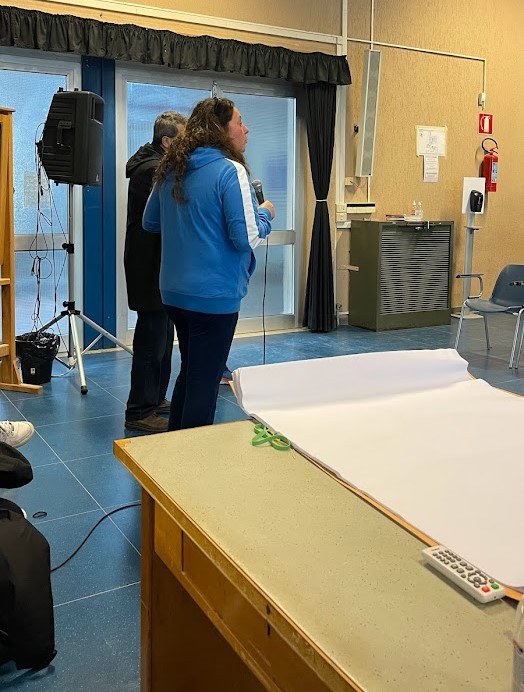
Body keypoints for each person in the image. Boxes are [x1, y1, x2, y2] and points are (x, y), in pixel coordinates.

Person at [143, 97, 275, 431]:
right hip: (214, 297)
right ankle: (193, 456)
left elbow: (150, 222)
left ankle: (176, 448)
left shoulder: (173, 167)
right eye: (240, 122)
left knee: (191, 373)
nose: (246, 129)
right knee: (204, 382)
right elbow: (246, 237)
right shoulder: (231, 170)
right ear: (222, 130)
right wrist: (265, 214)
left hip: (174, 293)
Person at [124, 111, 187, 433]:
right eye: (183, 139)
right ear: (167, 141)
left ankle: (156, 398)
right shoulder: (151, 170)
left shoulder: (154, 164)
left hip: (156, 264)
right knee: (151, 341)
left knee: (163, 338)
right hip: (149, 267)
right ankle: (139, 411)